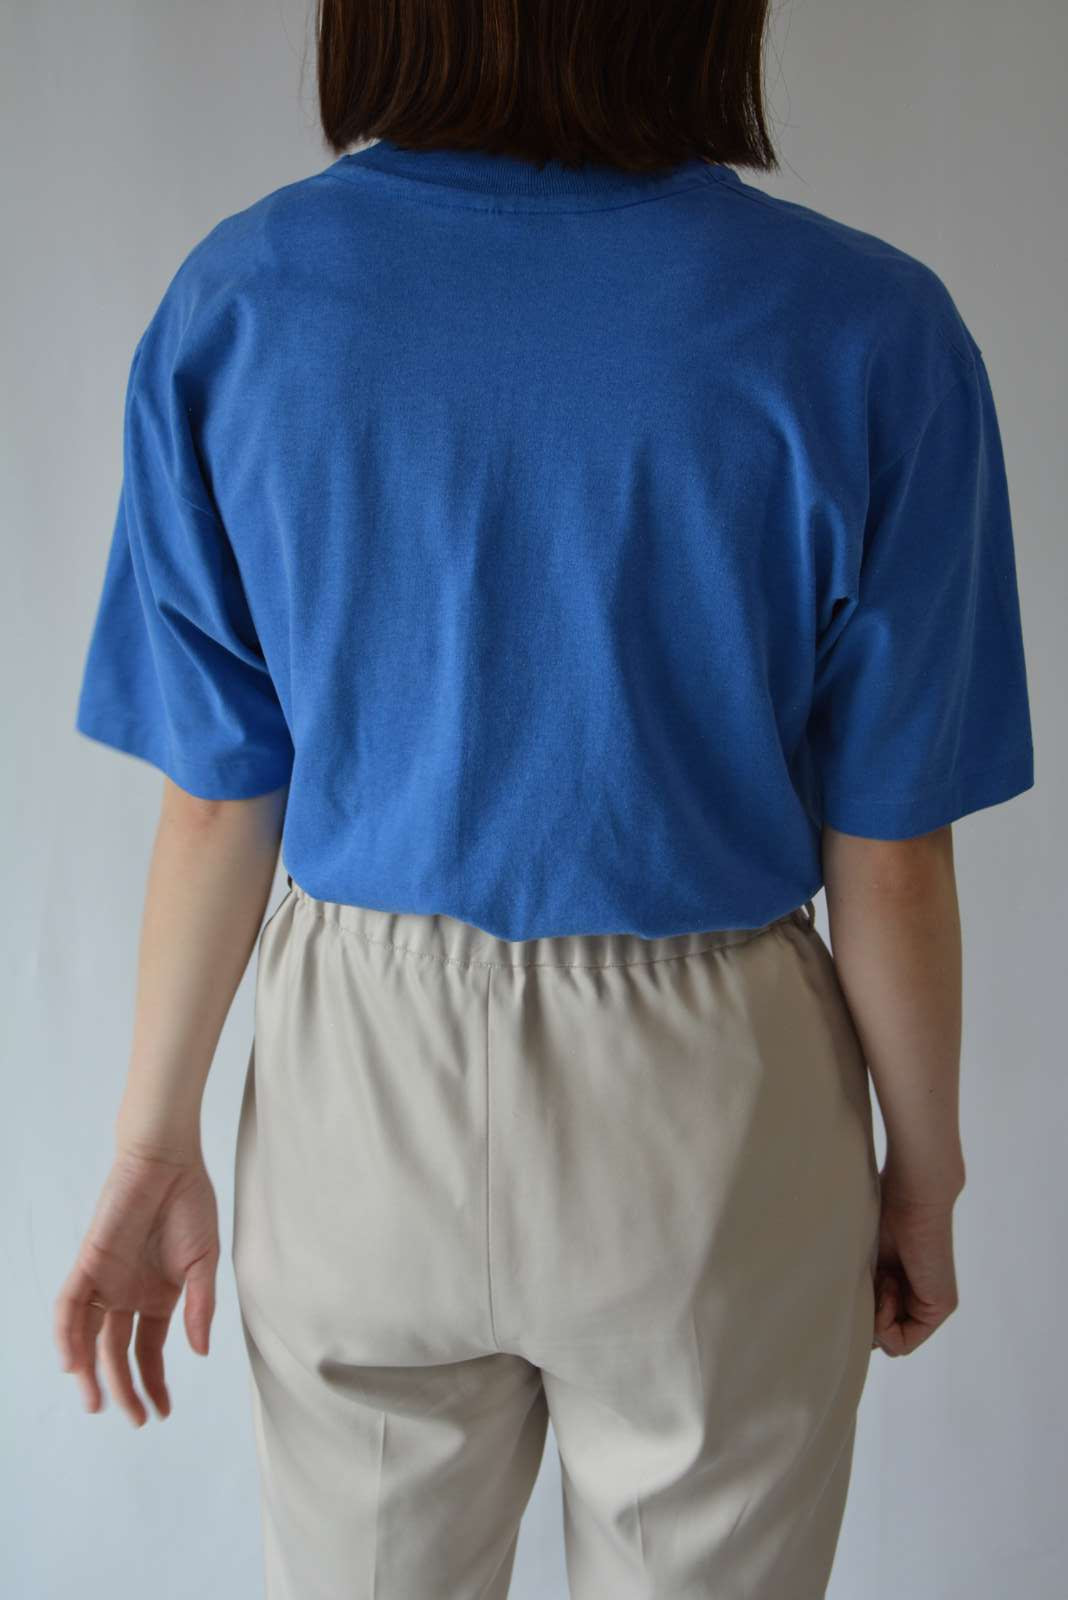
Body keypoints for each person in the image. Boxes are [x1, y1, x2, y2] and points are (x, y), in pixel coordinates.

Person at [53, 2, 1035, 1596]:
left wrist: (153, 1141)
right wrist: (923, 1170)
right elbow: (894, 851)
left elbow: (217, 804)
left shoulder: (241, 303)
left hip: (359, 1085)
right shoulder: (872, 330)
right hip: (712, 1101)